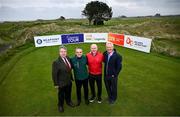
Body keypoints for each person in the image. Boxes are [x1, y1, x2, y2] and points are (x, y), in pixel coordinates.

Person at [52, 46, 75, 113]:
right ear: (59, 52)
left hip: (69, 81)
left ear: (66, 52)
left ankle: (68, 102)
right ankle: (60, 105)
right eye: (62, 52)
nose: (63, 53)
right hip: (61, 83)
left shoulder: (68, 58)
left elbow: (70, 68)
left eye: (64, 51)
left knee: (68, 93)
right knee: (61, 95)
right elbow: (54, 74)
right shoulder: (56, 62)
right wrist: (56, 84)